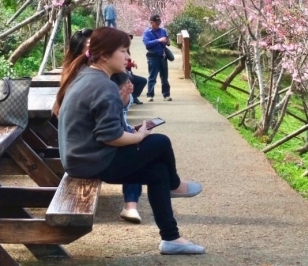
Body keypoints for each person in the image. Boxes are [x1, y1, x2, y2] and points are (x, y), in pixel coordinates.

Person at [54, 27, 205, 255]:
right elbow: (111, 137)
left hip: (81, 158)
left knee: (158, 174)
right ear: (104, 55)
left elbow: (103, 127)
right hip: (92, 161)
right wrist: (139, 135)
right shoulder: (102, 85)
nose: (128, 56)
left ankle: (171, 239)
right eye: (123, 51)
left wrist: (126, 114)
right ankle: (175, 186)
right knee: (160, 142)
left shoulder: (87, 75)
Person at [110, 71, 144, 223]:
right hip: (91, 153)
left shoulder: (119, 87)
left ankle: (131, 205)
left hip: (115, 135)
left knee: (155, 144)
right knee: (134, 152)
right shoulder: (101, 89)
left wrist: (131, 129)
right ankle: (130, 206)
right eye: (122, 51)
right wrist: (136, 136)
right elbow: (110, 130)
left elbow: (121, 116)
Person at [143, 14, 171, 102]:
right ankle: (150, 95)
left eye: (159, 22)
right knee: (152, 77)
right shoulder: (147, 32)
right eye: (157, 23)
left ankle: (166, 94)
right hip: (153, 56)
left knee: (164, 77)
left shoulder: (163, 31)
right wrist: (158, 40)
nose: (158, 24)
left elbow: (168, 43)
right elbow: (147, 44)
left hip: (162, 56)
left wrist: (167, 41)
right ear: (151, 23)